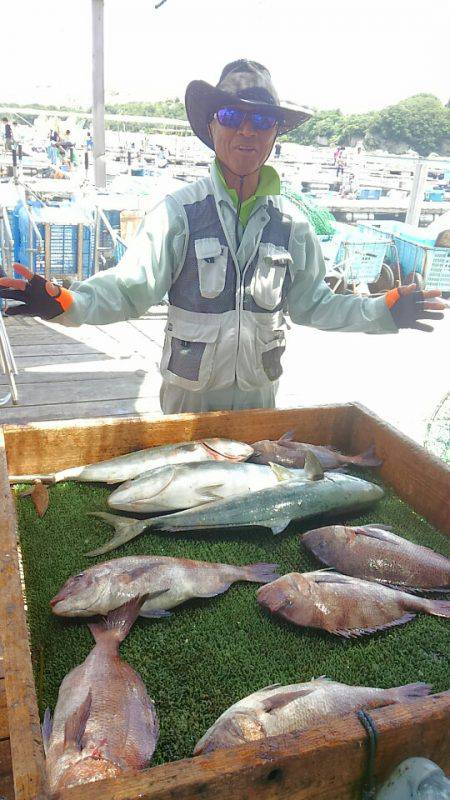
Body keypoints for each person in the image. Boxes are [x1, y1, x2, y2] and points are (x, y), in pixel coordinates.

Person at [0, 60, 446, 415]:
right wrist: (68, 303)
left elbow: (317, 305)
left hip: (260, 405)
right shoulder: (179, 213)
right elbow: (127, 289)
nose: (247, 130)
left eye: (263, 119)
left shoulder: (294, 225)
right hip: (187, 405)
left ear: (275, 133)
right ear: (211, 127)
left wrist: (381, 311)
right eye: (233, 115)